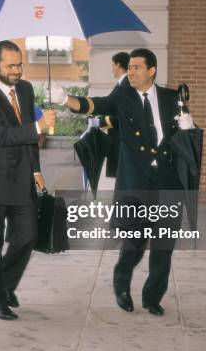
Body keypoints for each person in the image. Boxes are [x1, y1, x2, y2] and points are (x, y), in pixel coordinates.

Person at [53, 48, 194, 316]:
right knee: (135, 243)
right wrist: (66, 99)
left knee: (163, 246)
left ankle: (152, 297)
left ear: (151, 70)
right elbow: (95, 104)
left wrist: (190, 127)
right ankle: (121, 281)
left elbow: (185, 139)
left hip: (167, 181)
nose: (130, 72)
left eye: (136, 67)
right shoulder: (123, 96)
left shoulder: (171, 97)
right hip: (137, 182)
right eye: (128, 67)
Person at [0, 40, 56, 320]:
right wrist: (38, 125)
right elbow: (1, 135)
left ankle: (6, 285)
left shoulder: (25, 89)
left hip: (23, 178)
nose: (17, 71)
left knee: (28, 235)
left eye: (20, 64)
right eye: (11, 66)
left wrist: (36, 170)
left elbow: (29, 140)